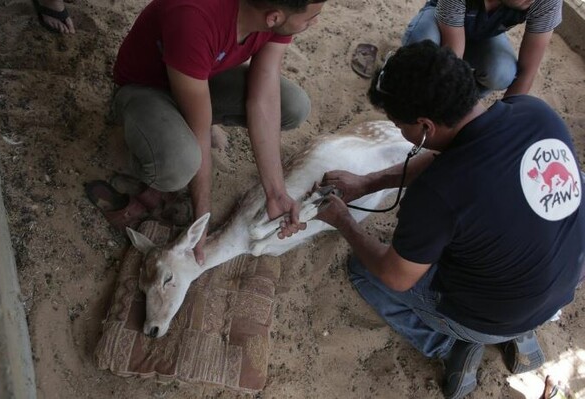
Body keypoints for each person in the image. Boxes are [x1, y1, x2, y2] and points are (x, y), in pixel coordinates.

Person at [316, 40, 584, 399]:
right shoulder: (533, 112)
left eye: (399, 125)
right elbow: (455, 151)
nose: (400, 132)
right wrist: (368, 182)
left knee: (364, 271)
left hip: (494, 315)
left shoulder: (437, 194)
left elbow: (395, 276)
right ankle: (521, 337)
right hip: (561, 285)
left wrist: (345, 222)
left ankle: (448, 345)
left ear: (425, 125)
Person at [108, 0, 326, 264]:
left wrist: (277, 194)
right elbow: (199, 130)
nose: (314, 22)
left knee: (293, 105)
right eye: (311, 18)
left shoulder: (280, 9)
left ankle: (187, 115)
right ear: (273, 18)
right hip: (146, 86)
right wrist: (202, 219)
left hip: (203, 76)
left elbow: (264, 99)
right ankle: (138, 150)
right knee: (178, 164)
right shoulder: (194, 16)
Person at [401, 0, 561, 97]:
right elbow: (452, 59)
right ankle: (398, 71)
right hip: (441, 23)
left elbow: (528, 71)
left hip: (485, 34)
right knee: (425, 50)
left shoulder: (547, 2)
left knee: (503, 73)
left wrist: (503, 124)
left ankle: (468, 99)